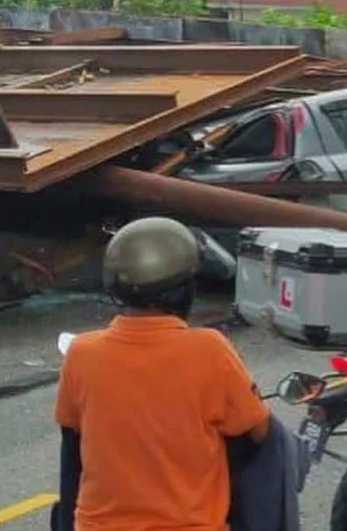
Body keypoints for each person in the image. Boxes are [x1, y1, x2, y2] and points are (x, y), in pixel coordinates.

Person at [53, 217, 271, 531]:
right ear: (184, 289)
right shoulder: (209, 350)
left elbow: (71, 447)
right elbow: (260, 434)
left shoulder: (81, 353)